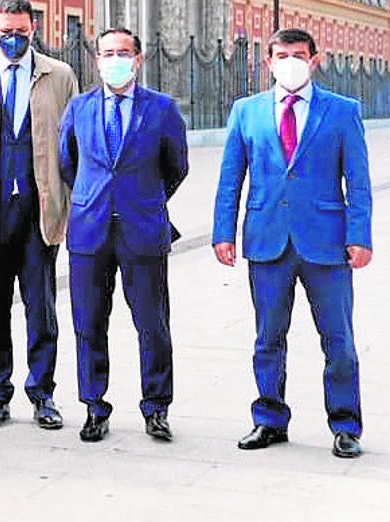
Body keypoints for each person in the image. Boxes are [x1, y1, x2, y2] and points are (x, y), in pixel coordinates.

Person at [213, 27, 372, 459]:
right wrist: (222, 232)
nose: (290, 62)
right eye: (281, 55)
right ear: (268, 62)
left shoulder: (342, 111)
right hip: (267, 241)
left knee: (338, 341)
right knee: (268, 337)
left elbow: (358, 181)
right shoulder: (246, 111)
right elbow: (231, 178)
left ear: (315, 59)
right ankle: (269, 419)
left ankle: (345, 424)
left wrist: (360, 236)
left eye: (298, 54)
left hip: (327, 243)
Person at [0, 0, 78, 431]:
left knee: (41, 305)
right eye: (6, 32)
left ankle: (42, 393)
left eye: (21, 33)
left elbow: (71, 140)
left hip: (40, 209)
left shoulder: (58, 76)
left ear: (34, 30)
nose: (13, 39)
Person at [59, 27, 188, 443]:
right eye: (107, 52)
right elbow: (68, 162)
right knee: (89, 324)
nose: (115, 59)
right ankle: (94, 405)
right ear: (96, 59)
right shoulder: (78, 108)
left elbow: (177, 166)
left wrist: (146, 199)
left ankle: (157, 407)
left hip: (143, 230)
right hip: (89, 231)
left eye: (123, 52)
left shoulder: (162, 109)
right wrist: (93, 197)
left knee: (152, 324)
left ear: (138, 59)